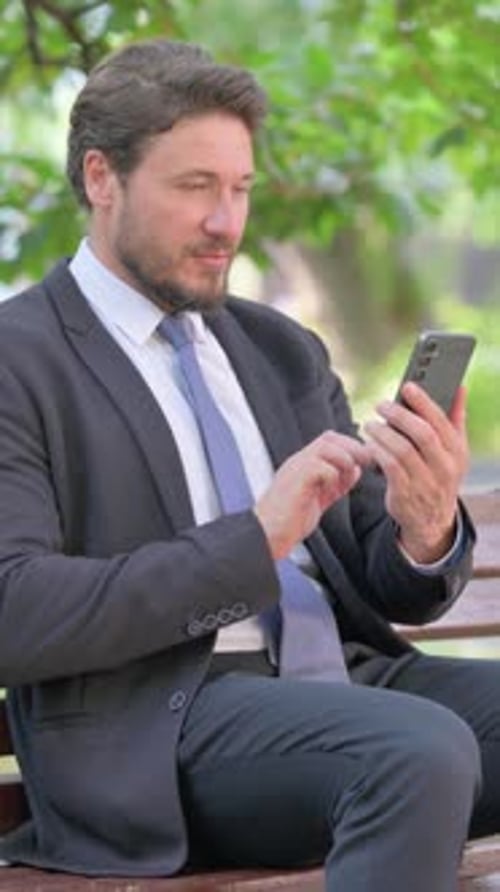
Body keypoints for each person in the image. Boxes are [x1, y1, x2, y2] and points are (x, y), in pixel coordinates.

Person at [0, 38, 498, 892]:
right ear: (99, 178)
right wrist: (253, 539)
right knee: (414, 751)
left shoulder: (278, 350)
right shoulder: (19, 359)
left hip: (337, 684)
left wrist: (424, 525)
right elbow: (16, 610)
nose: (226, 223)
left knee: (415, 741)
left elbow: (385, 580)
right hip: (157, 727)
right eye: (195, 187)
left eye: (239, 189)